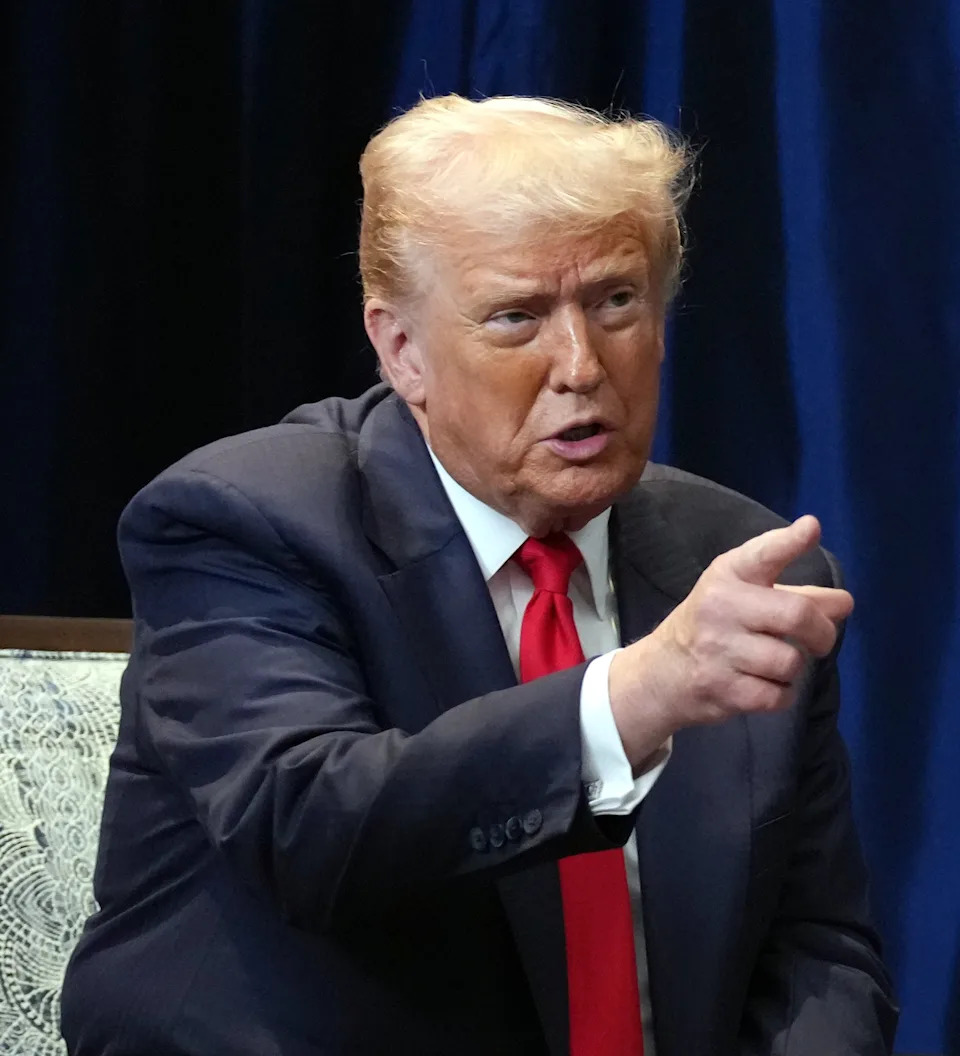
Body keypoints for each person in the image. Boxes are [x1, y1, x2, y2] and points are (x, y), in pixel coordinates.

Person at [61, 95, 897, 1056]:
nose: (580, 365)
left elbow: (818, 950)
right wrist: (632, 699)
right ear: (402, 351)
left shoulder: (739, 565)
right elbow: (311, 828)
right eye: (516, 318)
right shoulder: (243, 522)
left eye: (616, 301)